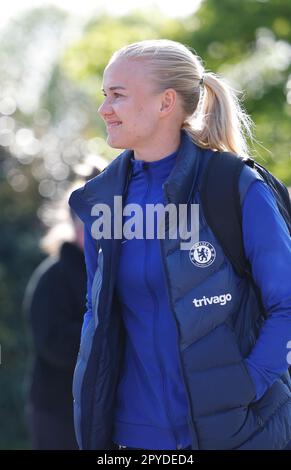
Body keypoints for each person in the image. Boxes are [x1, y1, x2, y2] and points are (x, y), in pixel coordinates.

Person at [69, 39, 291, 450]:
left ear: (166, 102)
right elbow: (95, 313)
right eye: (105, 95)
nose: (104, 109)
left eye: (117, 95)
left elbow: (287, 303)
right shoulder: (101, 200)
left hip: (236, 435)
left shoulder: (236, 187)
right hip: (128, 439)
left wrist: (245, 387)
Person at [24, 182, 89, 450]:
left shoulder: (114, 272)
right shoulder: (53, 277)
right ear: (74, 225)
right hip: (56, 408)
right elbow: (51, 342)